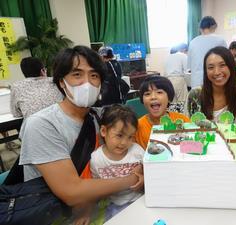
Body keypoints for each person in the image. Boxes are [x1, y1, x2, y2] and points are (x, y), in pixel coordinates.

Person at [18, 46, 143, 221]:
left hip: (95, 204)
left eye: (94, 75)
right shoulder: (41, 124)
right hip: (55, 215)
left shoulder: (99, 117)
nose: (87, 83)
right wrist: (134, 178)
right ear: (62, 81)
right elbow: (71, 192)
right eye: (77, 74)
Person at [74, 104, 144, 224]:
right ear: (103, 131)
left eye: (130, 137)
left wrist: (143, 179)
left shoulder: (137, 151)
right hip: (114, 205)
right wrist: (86, 212)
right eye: (119, 135)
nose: (124, 142)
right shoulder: (96, 159)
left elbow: (150, 172)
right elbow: (95, 188)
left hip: (139, 200)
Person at [185, 46, 236, 123]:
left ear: (231, 67)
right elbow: (187, 128)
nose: (217, 72)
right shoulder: (195, 94)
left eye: (222, 65)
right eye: (211, 67)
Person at [135, 75, 190, 149]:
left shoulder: (182, 120)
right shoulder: (137, 127)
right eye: (147, 94)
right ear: (142, 100)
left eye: (159, 92)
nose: (153, 97)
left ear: (169, 98)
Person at [188, 16, 227, 88]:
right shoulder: (220, 40)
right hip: (213, 80)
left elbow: (189, 66)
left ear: (200, 28)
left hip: (196, 82)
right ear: (214, 26)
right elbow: (227, 62)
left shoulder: (192, 42)